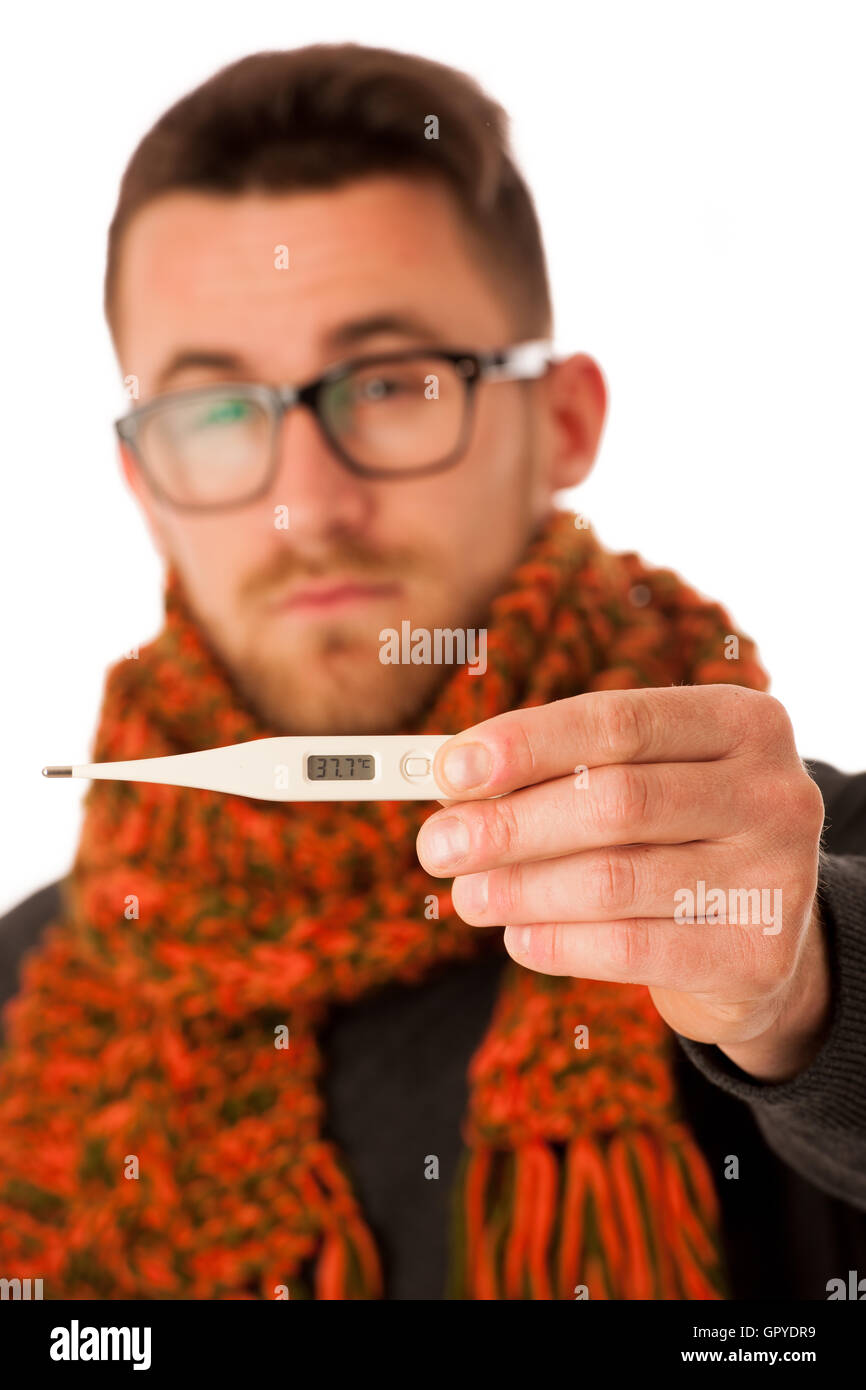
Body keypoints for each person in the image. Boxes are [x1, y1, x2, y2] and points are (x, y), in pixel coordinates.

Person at [0, 43, 864, 1302]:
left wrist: (807, 1001)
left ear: (560, 420)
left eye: (391, 383)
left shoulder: (805, 887)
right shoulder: (26, 1010)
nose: (309, 503)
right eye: (218, 410)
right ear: (144, 480)